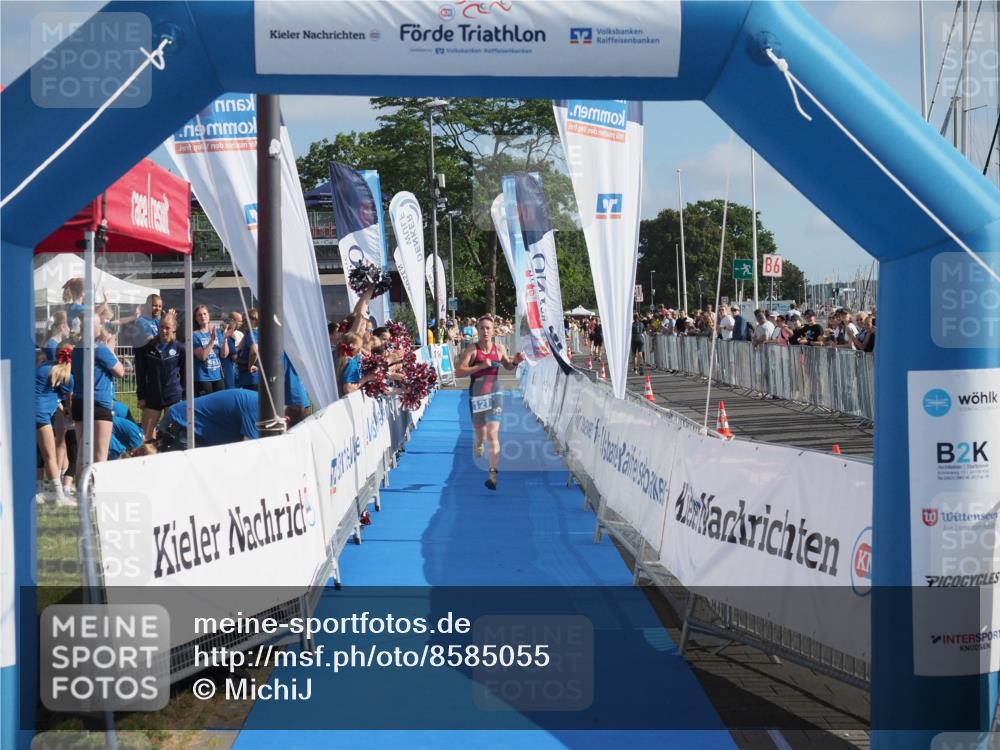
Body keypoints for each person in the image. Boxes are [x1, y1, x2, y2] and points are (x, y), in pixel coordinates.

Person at [454, 314, 525, 491]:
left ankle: (493, 474)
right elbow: (459, 372)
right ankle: (478, 443)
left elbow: (508, 366)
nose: (485, 331)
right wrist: (480, 366)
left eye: (488, 328)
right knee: (481, 434)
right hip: (477, 393)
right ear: (477, 330)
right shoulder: (472, 349)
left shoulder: (499, 348)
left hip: (495, 392)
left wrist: (515, 361)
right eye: (482, 328)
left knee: (493, 434)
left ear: (494, 331)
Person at [71, 318, 125, 468]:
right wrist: (111, 350)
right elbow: (120, 371)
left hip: (79, 401)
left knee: (82, 454)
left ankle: (81, 489)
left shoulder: (77, 348)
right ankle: (95, 489)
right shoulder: (100, 348)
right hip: (99, 402)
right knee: (100, 455)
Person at [135, 311, 185, 440]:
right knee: (146, 437)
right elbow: (140, 373)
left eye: (167, 328)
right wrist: (141, 396)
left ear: (174, 328)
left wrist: (184, 396)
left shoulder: (180, 348)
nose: (163, 331)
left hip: (173, 396)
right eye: (161, 327)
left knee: (175, 436)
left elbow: (185, 373)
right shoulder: (147, 347)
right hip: (153, 396)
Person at [157, 388, 260, 450]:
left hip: (191, 425)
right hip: (182, 424)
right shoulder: (255, 407)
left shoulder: (258, 402)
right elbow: (249, 449)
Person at [35, 347, 73, 504]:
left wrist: (63, 411)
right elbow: (69, 404)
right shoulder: (68, 376)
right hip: (40, 415)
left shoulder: (45, 367)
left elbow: (51, 396)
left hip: (30, 412)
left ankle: (37, 491)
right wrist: (70, 414)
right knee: (50, 456)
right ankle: (59, 496)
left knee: (38, 453)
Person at [191, 305, 228, 396]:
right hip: (203, 378)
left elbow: (224, 355)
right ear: (196, 318)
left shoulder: (217, 332)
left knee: (220, 405)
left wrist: (225, 339)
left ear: (209, 316)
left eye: (204, 314)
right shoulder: (194, 335)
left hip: (217, 376)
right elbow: (202, 357)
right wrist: (212, 340)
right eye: (199, 315)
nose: (203, 316)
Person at [236, 308, 260, 390]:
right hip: (253, 378)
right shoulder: (254, 333)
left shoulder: (253, 334)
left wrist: (250, 366)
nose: (243, 323)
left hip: (251, 378)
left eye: (245, 320)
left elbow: (254, 350)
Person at [221, 311, 244, 389]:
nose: (242, 323)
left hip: (233, 372)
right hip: (228, 372)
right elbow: (234, 357)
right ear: (233, 321)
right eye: (240, 321)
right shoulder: (228, 336)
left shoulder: (238, 334)